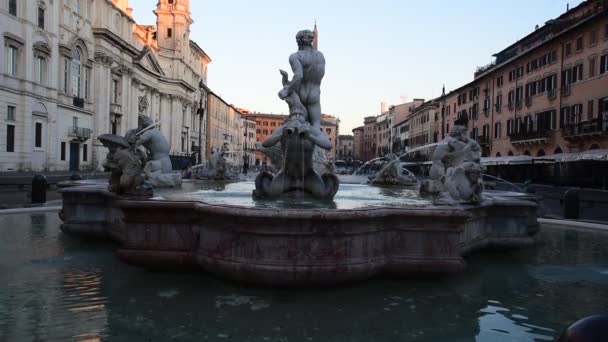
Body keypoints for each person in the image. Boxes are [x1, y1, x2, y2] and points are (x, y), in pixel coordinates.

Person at [278, 29, 325, 131]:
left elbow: (298, 76)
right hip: (315, 95)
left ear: (298, 41)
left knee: (295, 125)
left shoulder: (295, 56)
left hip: (300, 94)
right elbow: (319, 76)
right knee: (316, 127)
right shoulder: (321, 57)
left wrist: (286, 89)